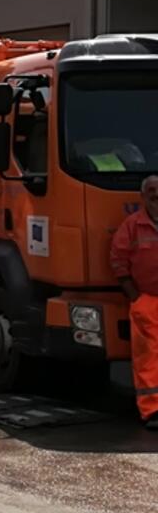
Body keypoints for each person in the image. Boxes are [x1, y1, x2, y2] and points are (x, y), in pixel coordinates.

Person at [110, 175, 158, 430]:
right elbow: (118, 260)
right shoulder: (132, 226)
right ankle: (152, 411)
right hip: (147, 300)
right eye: (151, 191)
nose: (156, 195)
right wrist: (134, 296)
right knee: (148, 357)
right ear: (143, 197)